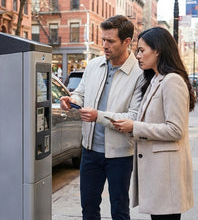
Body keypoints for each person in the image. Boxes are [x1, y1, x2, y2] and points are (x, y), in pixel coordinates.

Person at [60, 15, 144, 220]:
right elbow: (81, 93)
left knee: (119, 210)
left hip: (120, 154)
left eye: (110, 41)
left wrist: (99, 116)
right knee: (88, 208)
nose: (104, 45)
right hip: (90, 151)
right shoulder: (94, 65)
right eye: (103, 39)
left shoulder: (140, 74)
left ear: (127, 42)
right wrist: (71, 99)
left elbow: (133, 116)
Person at [112, 27, 195, 220]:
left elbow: (175, 129)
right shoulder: (154, 79)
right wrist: (130, 124)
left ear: (157, 50)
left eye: (142, 50)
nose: (138, 55)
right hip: (158, 175)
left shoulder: (172, 81)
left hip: (167, 176)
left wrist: (135, 127)